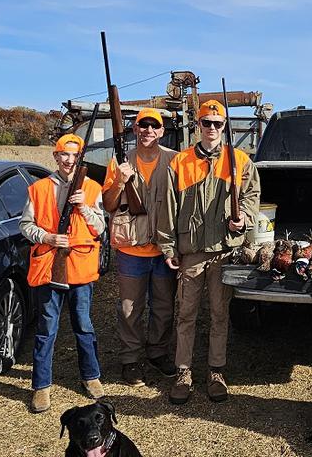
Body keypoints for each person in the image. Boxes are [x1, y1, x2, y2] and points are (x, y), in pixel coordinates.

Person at [157, 99, 261, 404]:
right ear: (198, 125)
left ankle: (216, 372)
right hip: (190, 252)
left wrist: (242, 216)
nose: (212, 128)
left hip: (224, 253)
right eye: (206, 122)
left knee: (219, 314)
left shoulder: (240, 160)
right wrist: (168, 245)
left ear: (224, 126)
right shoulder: (180, 161)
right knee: (186, 314)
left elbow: (253, 195)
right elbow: (168, 207)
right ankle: (183, 373)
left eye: (217, 123)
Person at [20, 134, 105, 413]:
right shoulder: (38, 188)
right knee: (47, 328)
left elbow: (100, 228)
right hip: (49, 267)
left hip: (80, 267)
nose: (69, 161)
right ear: (55, 157)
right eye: (64, 155)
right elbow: (26, 226)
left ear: (80, 159)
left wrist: (83, 206)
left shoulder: (92, 188)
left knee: (83, 324)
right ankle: (41, 386)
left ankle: (90, 376)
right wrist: (47, 237)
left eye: (74, 156)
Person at [102, 108, 178, 386]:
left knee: (164, 307)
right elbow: (109, 204)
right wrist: (120, 181)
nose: (147, 130)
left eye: (153, 126)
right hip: (130, 249)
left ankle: (158, 353)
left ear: (161, 131)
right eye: (142, 125)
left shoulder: (175, 161)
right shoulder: (119, 162)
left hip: (163, 249)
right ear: (134, 130)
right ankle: (130, 360)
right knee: (130, 308)